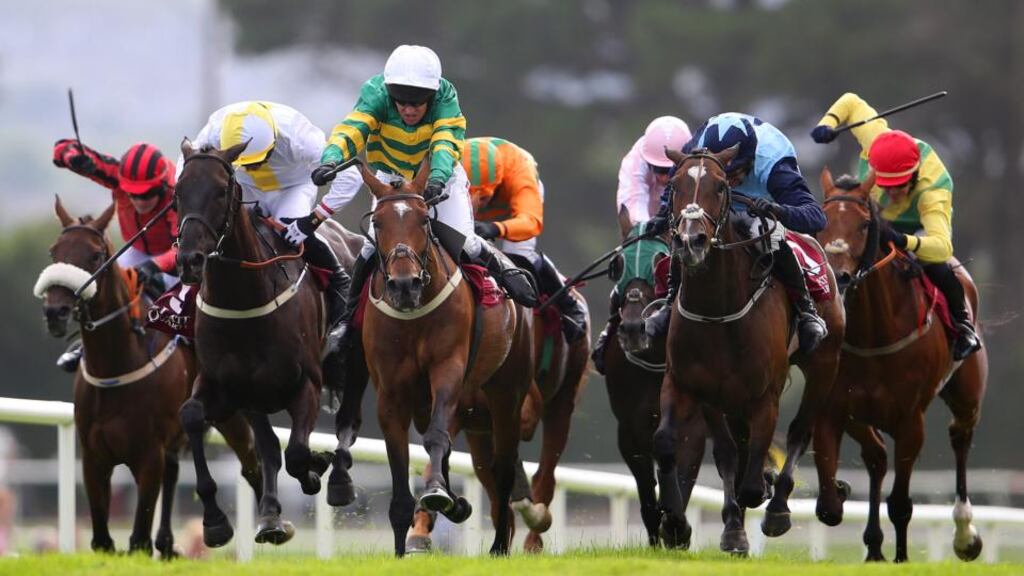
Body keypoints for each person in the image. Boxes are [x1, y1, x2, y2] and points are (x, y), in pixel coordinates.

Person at [310, 45, 538, 359]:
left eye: (417, 102)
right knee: (369, 247)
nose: (408, 109)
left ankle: (505, 276)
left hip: (438, 177)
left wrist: (438, 178)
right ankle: (346, 323)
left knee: (465, 240)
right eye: (401, 101)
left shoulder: (446, 98)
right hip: (391, 180)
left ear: (431, 95)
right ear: (390, 93)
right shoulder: (375, 93)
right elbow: (353, 128)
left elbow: (445, 142)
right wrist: (331, 158)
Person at [811, 92, 981, 360]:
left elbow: (941, 247)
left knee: (937, 265)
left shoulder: (932, 192)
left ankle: (962, 326)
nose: (891, 193)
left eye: (899, 187)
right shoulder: (875, 138)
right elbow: (852, 102)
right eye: (885, 186)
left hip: (916, 228)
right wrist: (828, 124)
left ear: (913, 177)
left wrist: (904, 241)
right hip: (873, 214)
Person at [644, 113, 829, 355]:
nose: (731, 182)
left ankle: (806, 310)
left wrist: (778, 210)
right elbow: (677, 181)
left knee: (765, 234)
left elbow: (816, 217)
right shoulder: (697, 149)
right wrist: (662, 214)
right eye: (726, 176)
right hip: (712, 197)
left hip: (759, 204)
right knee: (688, 230)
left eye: (735, 175)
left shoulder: (775, 165)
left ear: (750, 161)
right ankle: (670, 302)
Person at [180, 101, 351, 352]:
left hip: (293, 186)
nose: (255, 167)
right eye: (246, 162)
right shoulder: (216, 129)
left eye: (260, 159)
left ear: (273, 141)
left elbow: (351, 176)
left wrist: (313, 219)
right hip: (245, 187)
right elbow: (186, 165)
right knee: (220, 235)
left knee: (289, 231)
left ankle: (340, 284)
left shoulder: (299, 134)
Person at [51, 140, 179, 371]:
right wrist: (74, 159)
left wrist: (156, 265)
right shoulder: (116, 174)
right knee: (103, 290)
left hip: (173, 254)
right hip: (136, 248)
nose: (139, 201)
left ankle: (196, 349)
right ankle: (85, 346)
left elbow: (183, 247)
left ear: (161, 186)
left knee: (181, 304)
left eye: (147, 194)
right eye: (133, 194)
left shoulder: (176, 194)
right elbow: (62, 148)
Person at [462, 136, 587, 342]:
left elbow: (531, 222)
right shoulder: (448, 164)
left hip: (513, 211)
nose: (476, 206)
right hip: (462, 194)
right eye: (470, 195)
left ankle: (570, 306)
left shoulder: (520, 171)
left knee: (518, 257)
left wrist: (496, 228)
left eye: (483, 198)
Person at [592, 116, 691, 373]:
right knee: (635, 256)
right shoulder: (634, 160)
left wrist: (674, 229)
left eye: (667, 171)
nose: (660, 177)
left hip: (683, 222)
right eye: (655, 169)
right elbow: (633, 202)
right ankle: (611, 326)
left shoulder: (696, 164)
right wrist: (647, 232)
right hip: (647, 223)